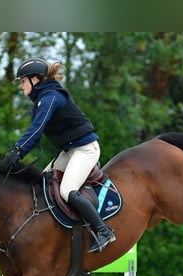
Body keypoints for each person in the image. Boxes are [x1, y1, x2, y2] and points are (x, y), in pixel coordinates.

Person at [7, 57, 116, 253]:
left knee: (67, 190)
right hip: (71, 150)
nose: (21, 86)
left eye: (23, 81)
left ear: (35, 79)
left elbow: (36, 128)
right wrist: (17, 150)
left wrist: (18, 151)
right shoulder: (44, 97)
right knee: (42, 184)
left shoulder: (51, 97)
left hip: (85, 149)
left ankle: (104, 231)